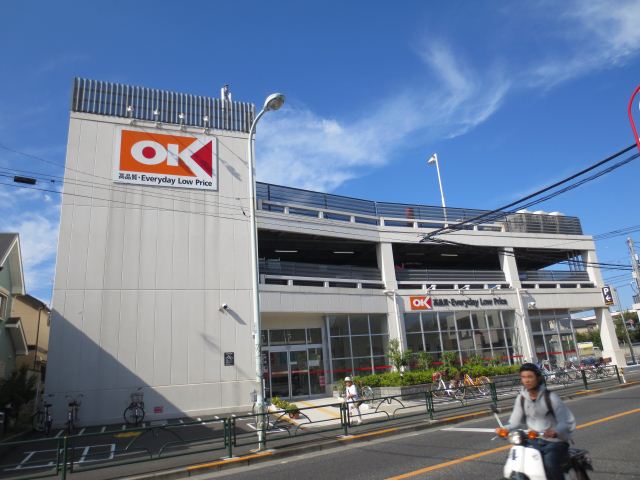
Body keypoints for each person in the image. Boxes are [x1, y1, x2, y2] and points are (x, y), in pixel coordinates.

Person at [498, 363, 576, 480]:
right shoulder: (521, 398)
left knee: (550, 464)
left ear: (538, 378)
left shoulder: (550, 397)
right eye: (523, 377)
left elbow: (567, 421)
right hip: (532, 440)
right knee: (517, 461)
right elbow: (514, 422)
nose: (526, 380)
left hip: (555, 442)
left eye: (530, 377)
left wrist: (555, 431)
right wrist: (504, 429)